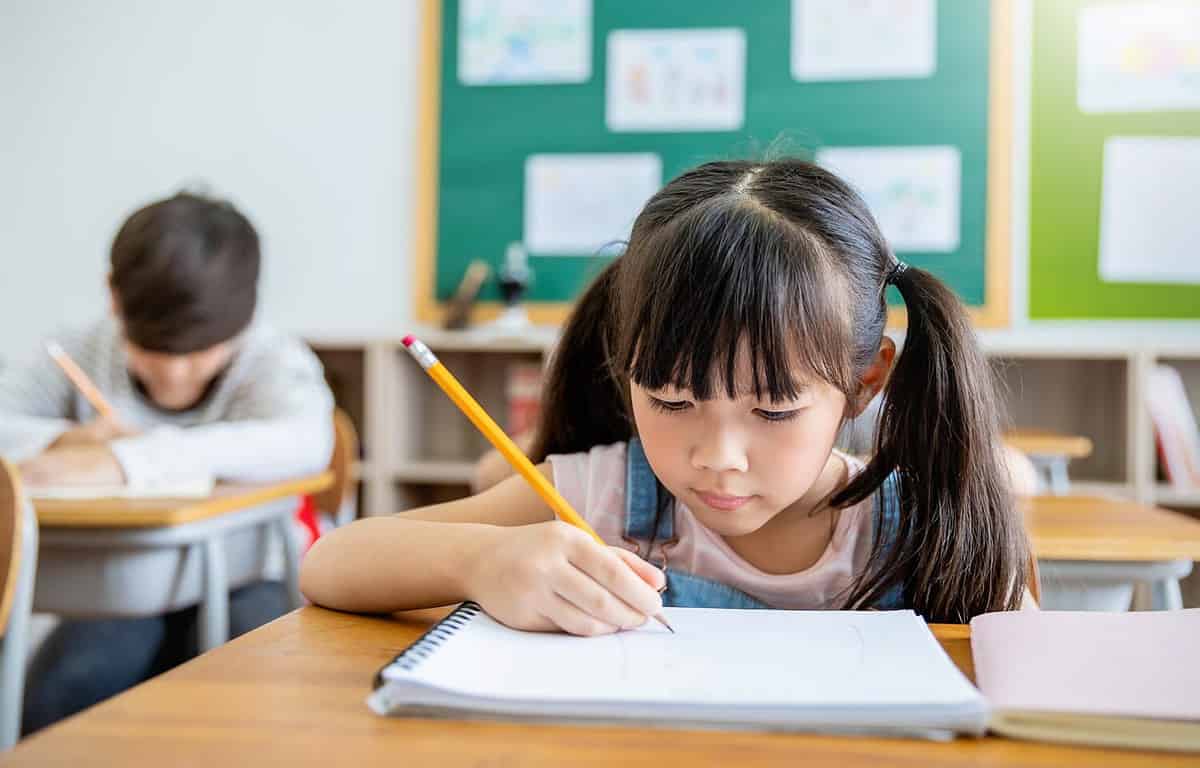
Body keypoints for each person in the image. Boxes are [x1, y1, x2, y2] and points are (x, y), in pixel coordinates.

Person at [301, 158, 1030, 636]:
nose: (717, 459)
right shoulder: (608, 491)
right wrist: (481, 562)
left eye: (773, 411)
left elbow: (1038, 676)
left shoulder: (927, 524)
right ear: (626, 369)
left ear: (864, 380)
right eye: (673, 401)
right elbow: (329, 563)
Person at [0, 192, 334, 733]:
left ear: (244, 317)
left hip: (248, 575)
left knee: (264, 704)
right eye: (153, 353)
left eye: (201, 355)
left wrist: (129, 460)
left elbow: (304, 441)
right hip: (118, 584)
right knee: (60, 700)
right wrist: (70, 441)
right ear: (114, 297)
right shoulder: (78, 348)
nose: (175, 377)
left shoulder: (272, 358)